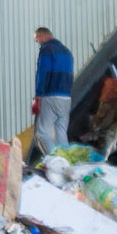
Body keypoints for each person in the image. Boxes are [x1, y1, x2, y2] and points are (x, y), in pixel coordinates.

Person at [31, 27, 73, 160]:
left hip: (51, 96)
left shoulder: (46, 50)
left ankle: (56, 161)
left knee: (42, 133)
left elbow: (42, 74)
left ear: (43, 36)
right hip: (66, 97)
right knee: (61, 132)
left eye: (37, 39)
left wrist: (37, 96)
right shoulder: (67, 51)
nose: (38, 43)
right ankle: (68, 162)